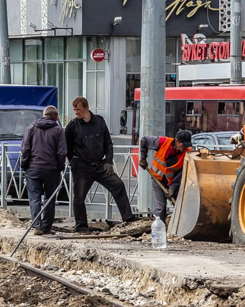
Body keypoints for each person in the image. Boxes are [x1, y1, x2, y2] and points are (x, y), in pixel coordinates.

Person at [65, 96, 136, 232]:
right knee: (79, 197)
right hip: (81, 167)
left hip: (100, 165)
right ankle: (81, 226)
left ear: (86, 108)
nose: (76, 112)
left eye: (78, 109)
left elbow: (108, 144)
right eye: (74, 110)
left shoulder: (99, 121)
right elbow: (66, 147)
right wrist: (73, 162)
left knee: (118, 185)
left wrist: (108, 162)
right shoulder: (72, 126)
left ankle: (128, 218)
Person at [20, 105, 68, 235]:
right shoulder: (58, 130)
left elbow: (25, 149)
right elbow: (61, 152)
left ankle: (37, 226)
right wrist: (59, 167)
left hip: (33, 168)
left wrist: (24, 165)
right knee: (49, 198)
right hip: (51, 170)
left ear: (44, 115)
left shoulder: (32, 127)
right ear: (56, 117)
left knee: (34, 198)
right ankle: (46, 227)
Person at [139, 129, 192, 222]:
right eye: (183, 144)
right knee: (160, 206)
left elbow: (182, 173)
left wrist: (172, 188)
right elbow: (144, 140)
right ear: (177, 141)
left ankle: (180, 226)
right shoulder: (163, 142)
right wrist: (143, 158)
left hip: (174, 181)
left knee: (180, 203)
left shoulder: (187, 153)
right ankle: (160, 228)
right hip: (157, 179)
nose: (185, 147)